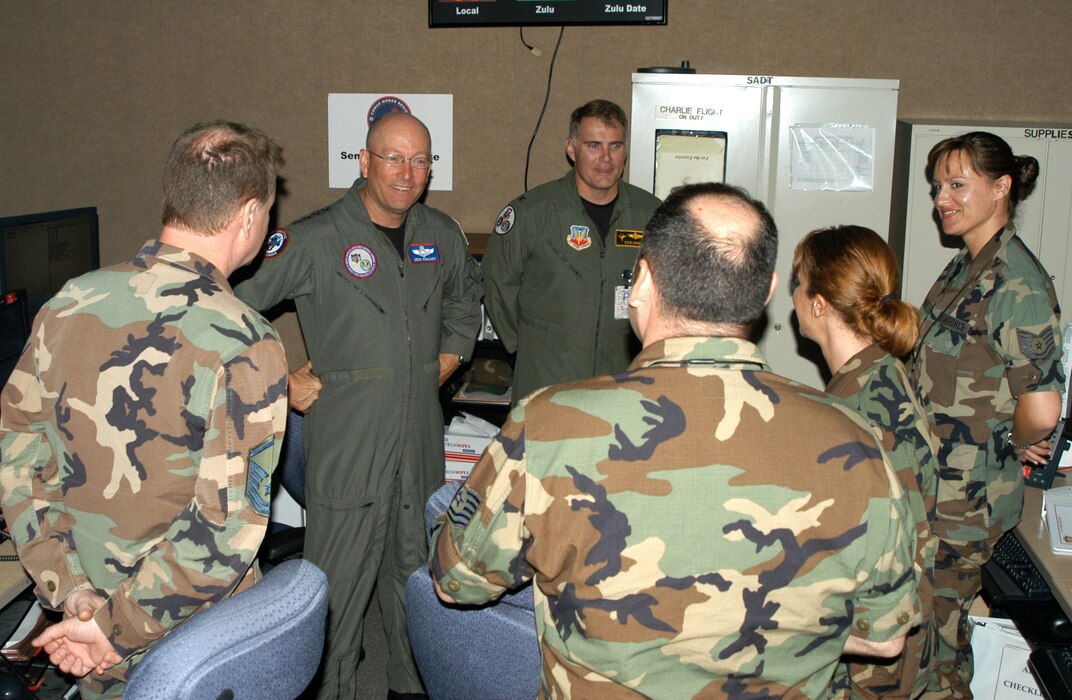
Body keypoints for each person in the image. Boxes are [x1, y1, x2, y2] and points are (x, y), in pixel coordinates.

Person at [431, 182, 920, 698]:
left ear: (641, 281)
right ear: (767, 291)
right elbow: (885, 639)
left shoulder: (549, 426)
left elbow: (454, 579)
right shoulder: (857, 439)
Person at [0, 120, 289, 699]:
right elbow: (224, 532)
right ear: (250, 215)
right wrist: (112, 630)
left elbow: (16, 453)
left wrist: (73, 594)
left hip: (84, 618)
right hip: (192, 642)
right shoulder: (247, 342)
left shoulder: (69, 302)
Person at [234, 111, 482, 700]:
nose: (407, 172)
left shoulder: (440, 233)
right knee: (338, 587)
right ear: (364, 161)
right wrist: (277, 378)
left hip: (419, 430)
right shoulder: (317, 237)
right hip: (349, 437)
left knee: (417, 577)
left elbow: (464, 300)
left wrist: (444, 363)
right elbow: (232, 305)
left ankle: (409, 688)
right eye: (393, 158)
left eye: (420, 160)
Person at [908, 131, 1065, 696]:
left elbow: (1043, 410)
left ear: (1001, 188)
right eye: (937, 187)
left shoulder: (1016, 283)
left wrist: (1018, 442)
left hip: (966, 500)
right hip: (936, 489)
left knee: (940, 652)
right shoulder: (964, 268)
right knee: (930, 638)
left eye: (957, 184)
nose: (941, 199)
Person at [792, 225, 939, 698]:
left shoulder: (856, 411)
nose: (792, 294)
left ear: (818, 304)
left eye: (798, 283)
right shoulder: (885, 372)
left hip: (869, 666)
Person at [482, 98, 661, 404]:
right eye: (593, 145)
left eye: (615, 146)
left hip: (622, 382)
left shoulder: (651, 214)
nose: (606, 158)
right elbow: (498, 282)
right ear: (571, 148)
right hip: (547, 380)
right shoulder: (531, 213)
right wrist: (534, 342)